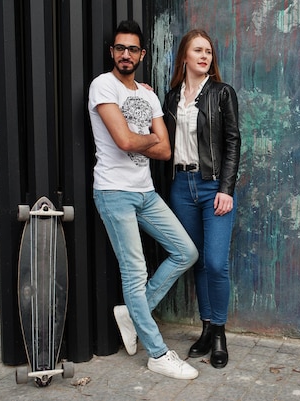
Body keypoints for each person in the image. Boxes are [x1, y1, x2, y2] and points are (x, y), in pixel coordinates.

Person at [88, 19, 199, 380]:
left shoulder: (148, 94)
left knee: (186, 252)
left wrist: (145, 140)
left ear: (141, 54)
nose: (125, 54)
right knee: (135, 274)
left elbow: (166, 151)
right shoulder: (102, 86)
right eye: (119, 48)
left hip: (145, 192)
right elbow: (124, 142)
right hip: (114, 191)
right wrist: (148, 137)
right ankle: (157, 353)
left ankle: (132, 313)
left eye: (132, 49)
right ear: (112, 52)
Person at [159, 29, 241, 369]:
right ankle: (206, 328)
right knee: (195, 260)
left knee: (216, 263)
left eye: (208, 51)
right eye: (198, 50)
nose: (204, 55)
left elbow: (233, 141)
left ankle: (219, 334)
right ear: (185, 57)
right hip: (182, 186)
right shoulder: (171, 97)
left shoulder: (222, 94)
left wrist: (226, 188)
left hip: (212, 187)